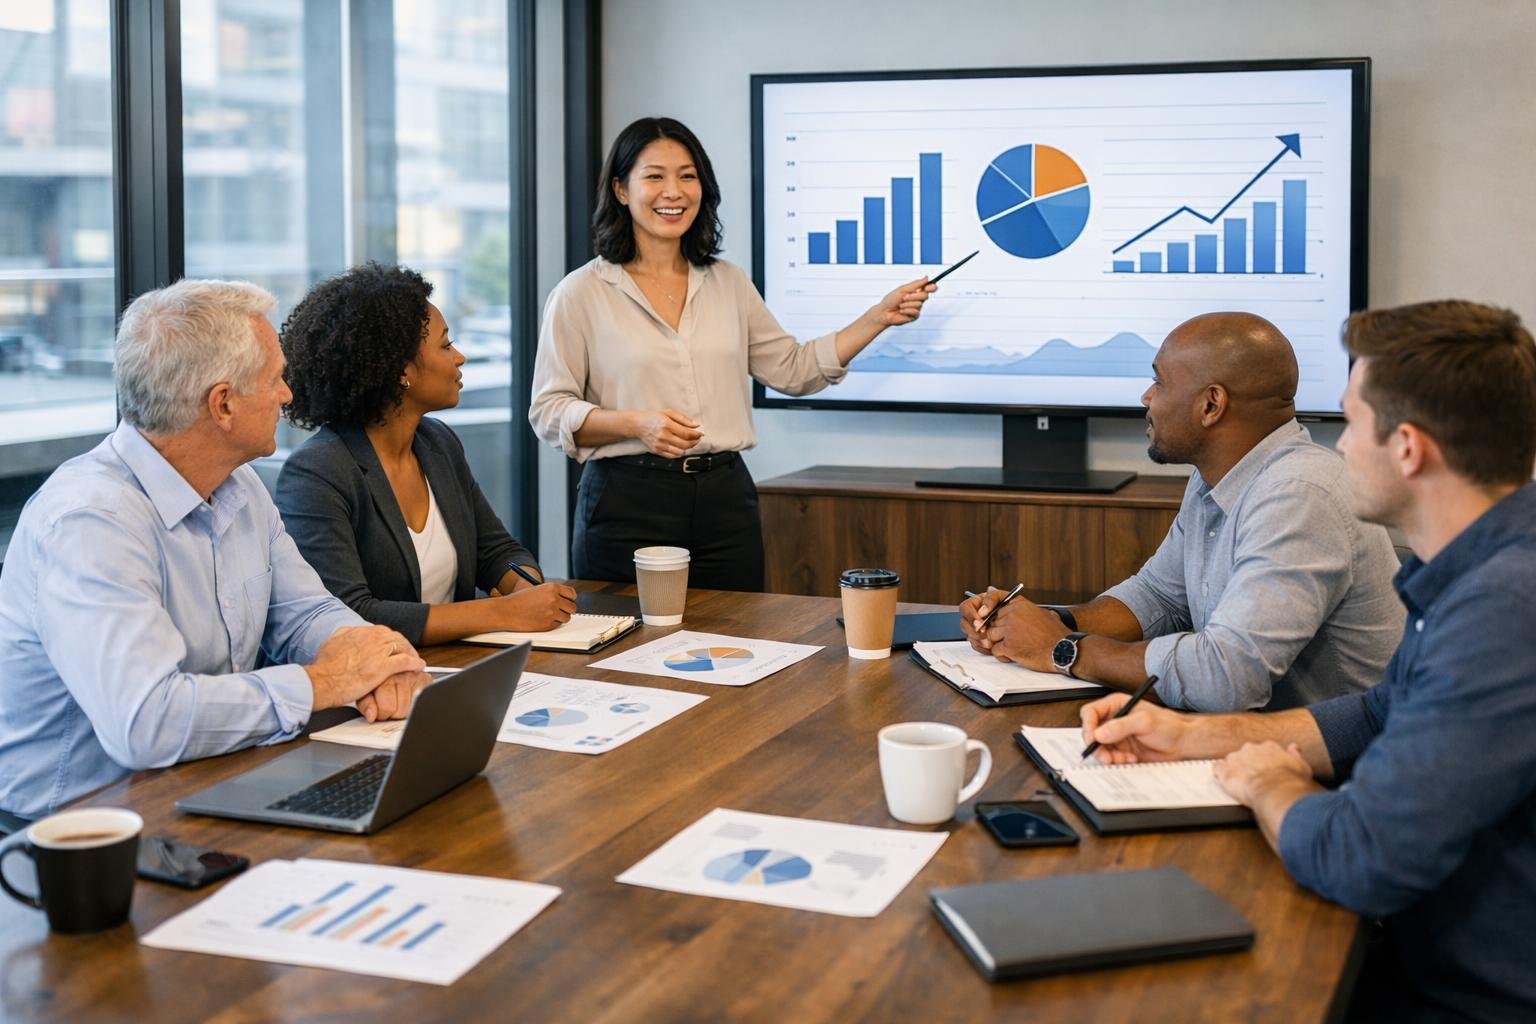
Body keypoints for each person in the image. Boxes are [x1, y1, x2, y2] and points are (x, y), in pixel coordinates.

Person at [1080, 300, 1536, 1020]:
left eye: (1352, 423)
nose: (1338, 445)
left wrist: (1270, 785)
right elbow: (1377, 713)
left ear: (1409, 448)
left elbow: (1361, 853)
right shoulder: (1485, 569)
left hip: (1461, 995)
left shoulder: (1505, 609)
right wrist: (1199, 736)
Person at [0, 279, 430, 827]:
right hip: (81, 834)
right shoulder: (91, 521)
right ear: (222, 404)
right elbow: (147, 724)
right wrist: (327, 682)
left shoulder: (239, 485)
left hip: (209, 784)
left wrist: (375, 660)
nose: (288, 396)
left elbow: (307, 613)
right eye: (275, 379)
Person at [529, 116, 935, 591]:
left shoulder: (728, 281)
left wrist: (877, 317)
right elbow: (548, 409)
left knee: (738, 644)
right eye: (654, 176)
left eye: (687, 175)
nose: (674, 192)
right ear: (621, 190)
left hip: (724, 498)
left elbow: (793, 370)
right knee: (625, 648)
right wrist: (638, 424)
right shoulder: (580, 293)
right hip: (626, 499)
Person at [961, 312, 1403, 711]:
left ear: (1211, 405)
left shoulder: (1299, 495)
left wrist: (1064, 649)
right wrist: (1046, 622)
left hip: (1345, 773)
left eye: (1160, 382)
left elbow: (1227, 676)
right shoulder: (1219, 474)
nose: (1145, 397)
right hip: (1259, 743)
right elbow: (1159, 598)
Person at [275, 263, 575, 647]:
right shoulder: (318, 472)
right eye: (446, 345)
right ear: (401, 370)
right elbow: (348, 614)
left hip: (456, 672)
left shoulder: (438, 444)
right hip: (371, 690)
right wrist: (502, 613)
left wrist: (523, 587)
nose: (460, 357)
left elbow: (497, 551)